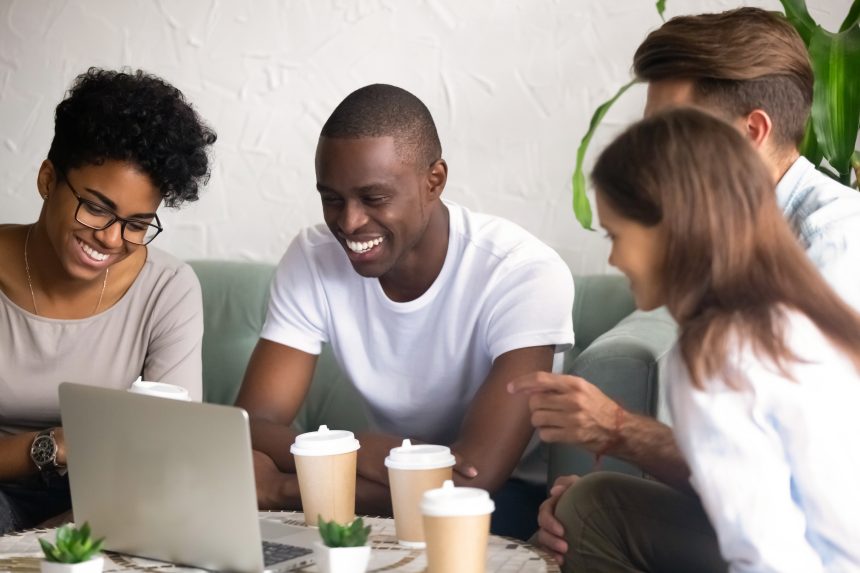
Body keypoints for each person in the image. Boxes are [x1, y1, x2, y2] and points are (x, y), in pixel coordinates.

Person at [515, 7, 860, 570]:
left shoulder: (838, 247)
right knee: (592, 506)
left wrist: (618, 428)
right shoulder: (723, 257)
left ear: (752, 134)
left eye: (674, 133)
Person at [235, 83, 575, 539]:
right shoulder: (313, 257)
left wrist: (282, 487)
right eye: (332, 198)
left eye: (373, 198)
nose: (349, 222)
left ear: (434, 181)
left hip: (505, 501)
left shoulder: (521, 272)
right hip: (378, 485)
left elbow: (470, 477)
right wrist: (360, 453)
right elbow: (249, 425)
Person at [0, 68, 216, 533]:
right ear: (47, 179)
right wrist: (54, 445)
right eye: (96, 207)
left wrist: (75, 528)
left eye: (137, 223)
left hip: (109, 502)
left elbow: (171, 448)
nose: (111, 239)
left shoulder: (167, 288)